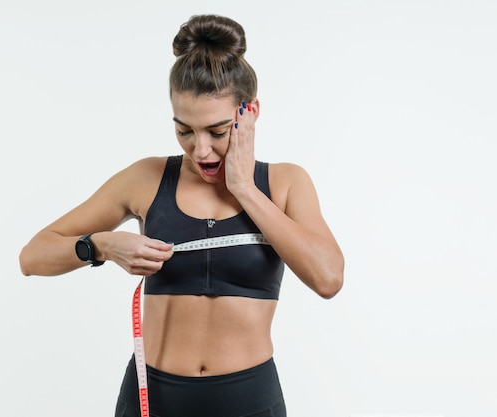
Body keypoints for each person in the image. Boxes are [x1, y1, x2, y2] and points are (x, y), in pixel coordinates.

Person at [19, 14, 344, 417]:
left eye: (218, 131)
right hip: (154, 396)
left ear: (250, 112)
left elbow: (328, 279)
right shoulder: (146, 179)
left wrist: (244, 187)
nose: (200, 150)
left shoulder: (285, 183)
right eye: (184, 130)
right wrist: (100, 247)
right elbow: (32, 256)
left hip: (250, 401)